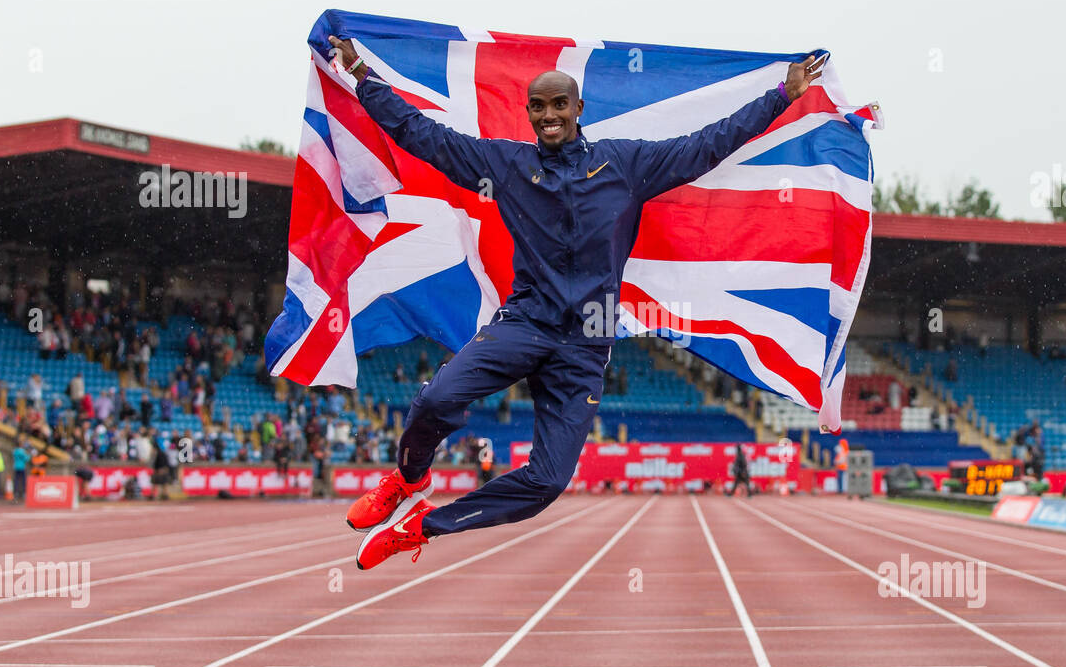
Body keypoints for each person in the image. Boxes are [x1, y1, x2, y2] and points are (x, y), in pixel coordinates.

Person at [329, 33, 828, 569]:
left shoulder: (626, 166)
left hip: (586, 345)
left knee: (546, 483)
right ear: (528, 113)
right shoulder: (508, 167)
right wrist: (363, 78)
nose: (549, 115)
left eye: (559, 104)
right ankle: (407, 480)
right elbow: (424, 136)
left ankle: (421, 526)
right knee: (433, 401)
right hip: (527, 322)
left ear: (578, 109)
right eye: (538, 107)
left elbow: (708, 144)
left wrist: (782, 93)